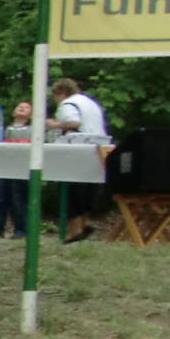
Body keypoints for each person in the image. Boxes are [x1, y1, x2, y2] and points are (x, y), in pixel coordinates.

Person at [48, 78, 109, 242]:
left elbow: (74, 122)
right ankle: (85, 224)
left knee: (71, 189)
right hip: (97, 149)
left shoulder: (68, 104)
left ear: (61, 92)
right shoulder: (90, 102)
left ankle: (73, 231)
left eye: (55, 95)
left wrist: (53, 125)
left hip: (77, 150)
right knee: (88, 189)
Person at [0, 101, 34, 237]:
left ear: (31, 115)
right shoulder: (4, 129)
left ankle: (21, 230)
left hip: (21, 167)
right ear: (13, 112)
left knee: (18, 199)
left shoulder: (31, 130)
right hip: (5, 166)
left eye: (26, 107)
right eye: (19, 106)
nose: (22, 108)